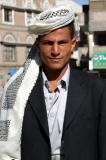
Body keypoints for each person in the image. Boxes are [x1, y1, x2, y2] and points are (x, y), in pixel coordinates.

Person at [0, 5, 106, 160]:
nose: (55, 51)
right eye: (48, 43)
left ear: (73, 44)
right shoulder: (19, 92)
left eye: (62, 42)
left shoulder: (97, 89)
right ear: (38, 44)